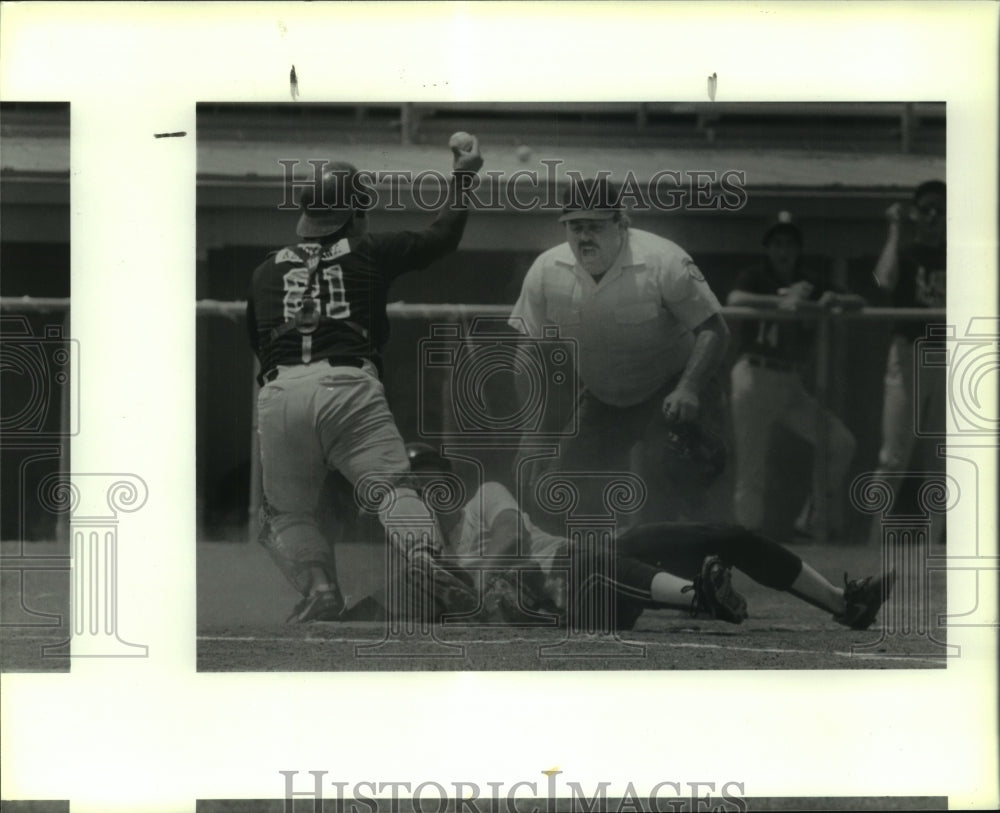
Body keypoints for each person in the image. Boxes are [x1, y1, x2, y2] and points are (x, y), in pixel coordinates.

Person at [247, 137, 484, 622]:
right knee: (394, 490)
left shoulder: (265, 270)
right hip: (349, 384)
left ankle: (320, 588)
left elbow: (259, 341)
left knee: (285, 513)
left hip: (279, 390)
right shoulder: (370, 249)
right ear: (356, 215)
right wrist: (464, 175)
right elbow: (443, 237)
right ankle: (424, 559)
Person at [407, 444, 895, 632]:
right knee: (584, 565)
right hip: (572, 604)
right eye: (417, 483)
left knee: (722, 534)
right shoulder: (428, 551)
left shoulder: (484, 499)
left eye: (433, 476)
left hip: (578, 563)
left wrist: (471, 584)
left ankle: (841, 602)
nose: (429, 487)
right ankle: (698, 596)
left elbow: (512, 539)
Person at [508, 176, 730, 527]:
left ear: (621, 223)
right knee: (555, 492)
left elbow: (714, 329)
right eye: (575, 226)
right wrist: (533, 430)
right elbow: (529, 350)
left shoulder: (663, 260)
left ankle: (701, 574)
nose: (584, 237)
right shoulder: (546, 270)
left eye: (595, 226)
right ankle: (581, 579)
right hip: (604, 399)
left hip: (670, 391)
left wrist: (688, 387)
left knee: (670, 497)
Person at [727, 212, 865, 538]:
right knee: (751, 468)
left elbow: (859, 301)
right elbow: (735, 299)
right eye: (776, 243)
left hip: (790, 383)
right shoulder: (756, 276)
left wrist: (834, 299)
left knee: (841, 442)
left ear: (798, 247)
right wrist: (780, 299)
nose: (783, 250)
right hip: (754, 377)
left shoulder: (809, 279)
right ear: (768, 248)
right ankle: (747, 542)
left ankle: (813, 516)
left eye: (789, 243)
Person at [871, 180, 947, 543]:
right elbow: (883, 281)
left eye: (940, 209)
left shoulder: (958, 253)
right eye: (927, 208)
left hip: (948, 354)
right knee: (894, 454)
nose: (934, 216)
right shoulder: (905, 252)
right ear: (916, 213)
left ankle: (936, 544)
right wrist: (895, 229)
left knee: (941, 456)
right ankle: (874, 542)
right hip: (909, 351)